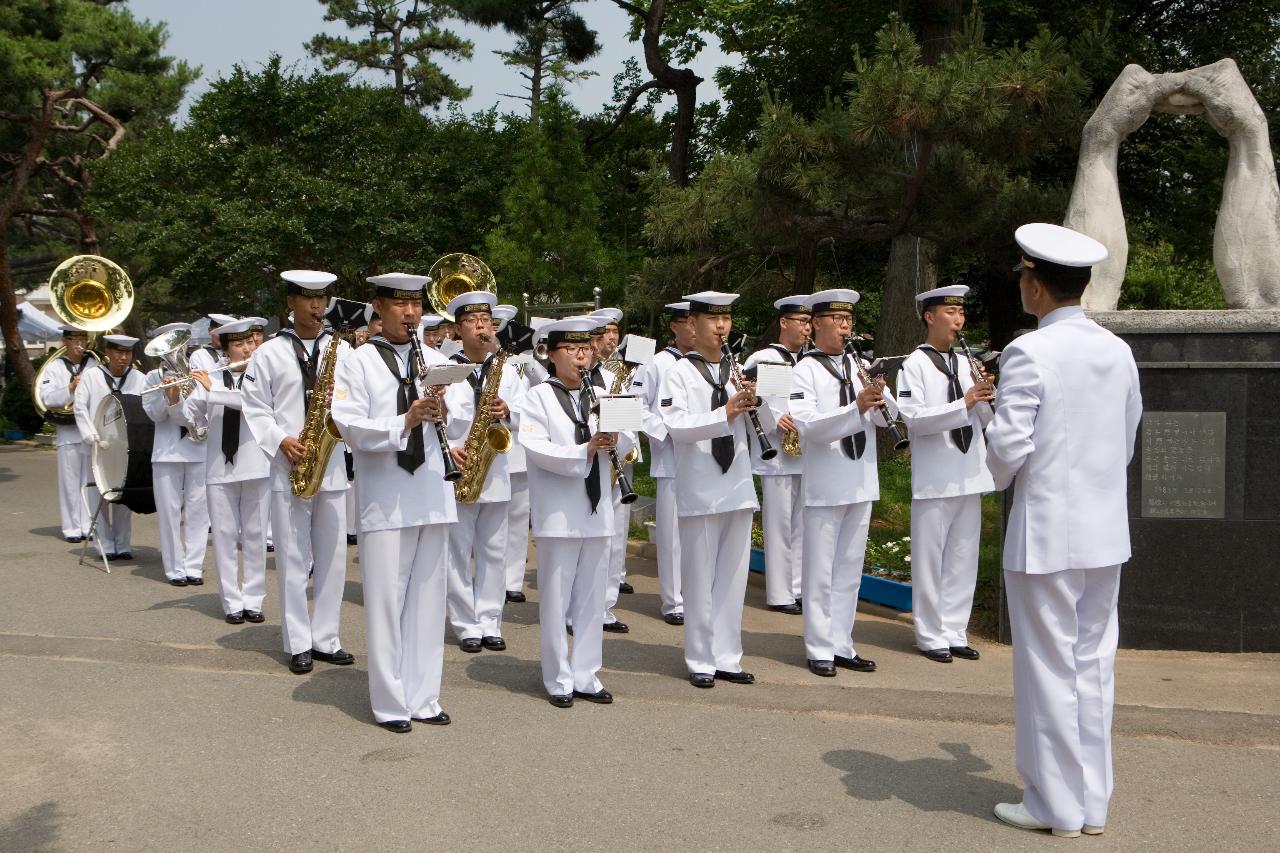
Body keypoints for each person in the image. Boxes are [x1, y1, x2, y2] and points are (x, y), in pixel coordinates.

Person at [988, 223, 1141, 838]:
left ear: (1035, 285)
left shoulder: (1030, 351)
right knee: (1093, 665)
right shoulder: (1116, 349)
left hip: (1047, 533)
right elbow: (1126, 437)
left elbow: (1007, 448)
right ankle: (1092, 803)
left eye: (1025, 277)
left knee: (1047, 668)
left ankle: (1054, 805)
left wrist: (998, 468)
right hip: (1104, 531)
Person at [332, 272, 456, 732]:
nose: (410, 314)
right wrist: (403, 421)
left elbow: (457, 422)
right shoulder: (358, 362)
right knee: (385, 602)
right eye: (400, 306)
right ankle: (390, 702)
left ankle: (424, 696)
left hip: (432, 491)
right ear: (378, 309)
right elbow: (348, 425)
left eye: (416, 305)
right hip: (386, 498)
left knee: (427, 601)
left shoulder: (437, 359)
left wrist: (448, 420)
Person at [241, 270, 354, 675]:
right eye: (308, 298)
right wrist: (280, 440)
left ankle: (327, 637)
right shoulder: (268, 352)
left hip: (334, 463)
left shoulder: (343, 350)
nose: (317, 306)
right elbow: (254, 407)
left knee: (333, 557)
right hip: (289, 464)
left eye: (322, 299)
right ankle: (298, 641)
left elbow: (357, 402)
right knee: (292, 556)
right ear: (290, 302)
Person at [661, 291, 774, 688]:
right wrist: (725, 411)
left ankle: (728, 656)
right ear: (693, 325)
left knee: (732, 578)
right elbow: (677, 427)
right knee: (699, 578)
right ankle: (700, 659)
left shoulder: (736, 369)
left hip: (738, 485)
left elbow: (772, 425)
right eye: (713, 320)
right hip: (700, 488)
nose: (722, 327)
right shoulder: (680, 371)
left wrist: (759, 402)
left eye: (726, 319)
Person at [518, 316, 632, 707]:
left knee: (591, 596)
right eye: (572, 350)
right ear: (552, 355)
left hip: (598, 508)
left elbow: (631, 439)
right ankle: (557, 677)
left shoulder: (604, 391)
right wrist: (583, 450)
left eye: (586, 349)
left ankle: (587, 673)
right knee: (555, 598)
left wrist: (617, 434)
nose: (581, 357)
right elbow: (536, 449)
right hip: (558, 513)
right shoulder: (537, 397)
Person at [791, 289, 895, 678]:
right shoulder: (806, 370)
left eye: (849, 319)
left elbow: (885, 422)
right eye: (837, 319)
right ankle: (819, 647)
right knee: (820, 570)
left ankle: (842, 643)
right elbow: (810, 427)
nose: (845, 325)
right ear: (816, 323)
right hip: (826, 481)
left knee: (849, 569)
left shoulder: (859, 365)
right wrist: (857, 407)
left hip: (860, 480)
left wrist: (883, 397)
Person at [896, 284, 995, 663]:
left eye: (962, 314)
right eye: (951, 314)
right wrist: (964, 401)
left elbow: (984, 419)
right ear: (929, 316)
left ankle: (955, 629)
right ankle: (929, 633)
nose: (959, 320)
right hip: (935, 476)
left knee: (963, 557)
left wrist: (986, 394)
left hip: (970, 471)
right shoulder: (914, 365)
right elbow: (914, 420)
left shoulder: (964, 363)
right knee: (930, 558)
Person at [442, 290, 523, 653]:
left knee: (494, 550)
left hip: (498, 470)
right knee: (457, 552)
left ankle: (490, 619)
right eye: (473, 322)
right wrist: (450, 447)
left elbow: (530, 416)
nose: (481, 327)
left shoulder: (509, 370)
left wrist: (509, 411)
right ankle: (464, 622)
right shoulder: (444, 368)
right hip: (461, 469)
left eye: (486, 322)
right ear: (459, 328)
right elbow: (435, 419)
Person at [183, 317, 271, 623]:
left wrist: (212, 391)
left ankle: (254, 599)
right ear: (226, 347)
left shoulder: (261, 374)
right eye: (239, 344)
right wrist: (187, 401)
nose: (247, 349)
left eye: (250, 343)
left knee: (256, 536)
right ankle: (232, 602)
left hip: (256, 464)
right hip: (220, 467)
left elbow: (251, 405)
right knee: (223, 536)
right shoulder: (213, 376)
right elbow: (195, 417)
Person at [743, 296, 812, 615]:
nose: (806, 328)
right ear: (784, 323)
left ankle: (797, 587)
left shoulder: (810, 360)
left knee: (801, 523)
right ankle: (780, 592)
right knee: (779, 524)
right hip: (776, 453)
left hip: (805, 452)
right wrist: (776, 419)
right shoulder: (766, 357)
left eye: (809, 322)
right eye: (801, 322)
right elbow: (752, 400)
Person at [634, 302, 694, 626]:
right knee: (671, 534)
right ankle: (674, 601)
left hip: (703, 458)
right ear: (674, 326)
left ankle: (697, 593)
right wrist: (664, 433)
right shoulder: (657, 363)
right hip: (671, 456)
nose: (696, 329)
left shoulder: (708, 362)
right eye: (689, 322)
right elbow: (637, 406)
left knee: (699, 532)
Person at [142, 323, 211, 587]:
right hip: (167, 452)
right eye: (172, 346)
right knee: (169, 513)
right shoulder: (152, 377)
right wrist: (169, 398)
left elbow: (201, 414)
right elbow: (154, 415)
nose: (177, 351)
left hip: (198, 450)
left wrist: (182, 400)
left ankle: (194, 566)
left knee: (198, 512)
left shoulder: (198, 375)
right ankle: (174, 568)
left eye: (181, 345)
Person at [72, 334, 146, 560]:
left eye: (128, 353)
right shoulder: (92, 377)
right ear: (108, 353)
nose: (123, 358)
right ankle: (104, 544)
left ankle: (123, 544)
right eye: (118, 353)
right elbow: (79, 407)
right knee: (100, 496)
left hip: (126, 448)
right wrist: (90, 435)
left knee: (123, 495)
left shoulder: (139, 378)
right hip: (98, 446)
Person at [590, 306, 635, 634]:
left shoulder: (611, 379)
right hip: (581, 466)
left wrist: (621, 439)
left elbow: (630, 421)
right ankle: (576, 607)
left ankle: (604, 608)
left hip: (612, 464)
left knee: (614, 536)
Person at [38, 326, 95, 542]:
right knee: (70, 482)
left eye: (83, 337)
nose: (80, 342)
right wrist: (70, 388)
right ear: (65, 340)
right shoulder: (54, 367)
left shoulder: (95, 363)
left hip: (90, 429)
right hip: (68, 431)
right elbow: (47, 399)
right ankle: (72, 528)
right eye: (75, 338)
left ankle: (88, 525)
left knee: (90, 482)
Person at [493, 304, 532, 604]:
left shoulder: (517, 363)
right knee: (491, 526)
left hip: (516, 451)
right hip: (485, 455)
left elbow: (525, 407)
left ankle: (512, 581)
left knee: (518, 520)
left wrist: (509, 411)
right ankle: (489, 579)